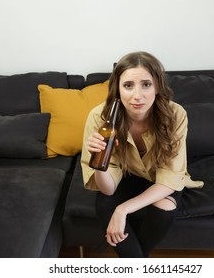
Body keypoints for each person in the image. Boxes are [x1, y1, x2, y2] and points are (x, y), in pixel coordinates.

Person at [81, 51, 203, 257]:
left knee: (164, 206)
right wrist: (98, 161)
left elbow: (170, 178)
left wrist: (123, 210)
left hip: (160, 180)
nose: (138, 95)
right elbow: (108, 190)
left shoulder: (176, 114)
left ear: (157, 86)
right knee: (105, 205)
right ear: (118, 89)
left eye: (146, 84)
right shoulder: (99, 117)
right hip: (124, 178)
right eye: (128, 85)